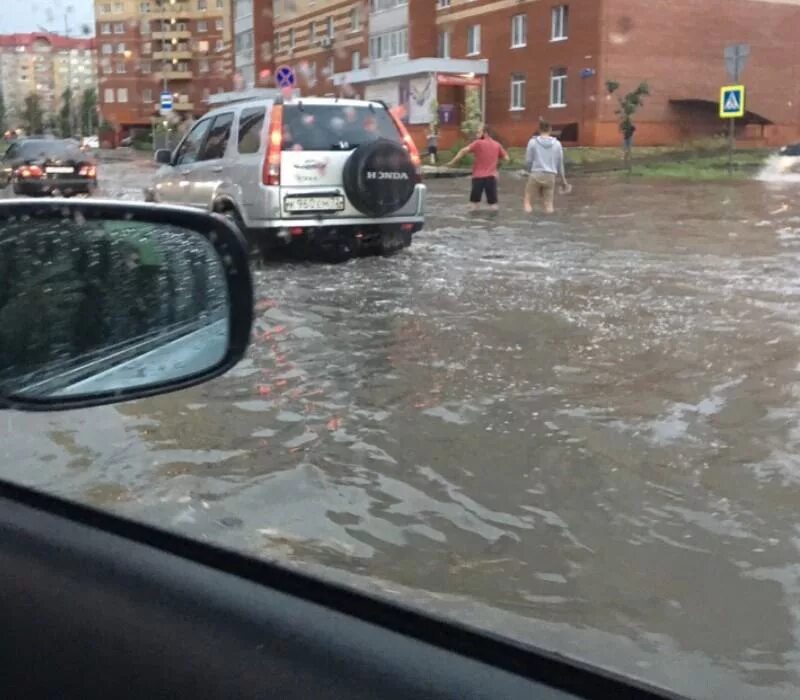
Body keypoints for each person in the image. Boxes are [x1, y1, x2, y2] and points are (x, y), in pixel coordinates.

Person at [446, 125, 510, 211]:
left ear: (485, 133)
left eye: (479, 132)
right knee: (493, 205)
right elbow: (506, 158)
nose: (477, 134)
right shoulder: (497, 144)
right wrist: (496, 165)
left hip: (478, 177)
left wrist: (452, 162)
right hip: (491, 177)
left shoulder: (478, 143)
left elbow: (463, 150)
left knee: (474, 204)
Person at [524, 120, 568, 215]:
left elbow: (528, 161)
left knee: (527, 201)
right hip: (550, 176)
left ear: (539, 129)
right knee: (549, 204)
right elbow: (560, 164)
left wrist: (529, 171)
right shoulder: (557, 144)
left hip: (536, 173)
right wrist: (564, 181)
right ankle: (549, 221)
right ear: (550, 130)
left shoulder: (532, 142)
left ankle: (527, 220)